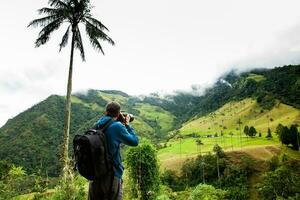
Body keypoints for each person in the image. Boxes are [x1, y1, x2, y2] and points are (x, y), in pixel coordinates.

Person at [88, 101, 139, 200]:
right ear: (119, 113)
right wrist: (127, 125)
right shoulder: (117, 126)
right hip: (111, 175)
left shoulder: (97, 125)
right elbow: (134, 141)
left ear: (105, 111)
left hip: (95, 173)